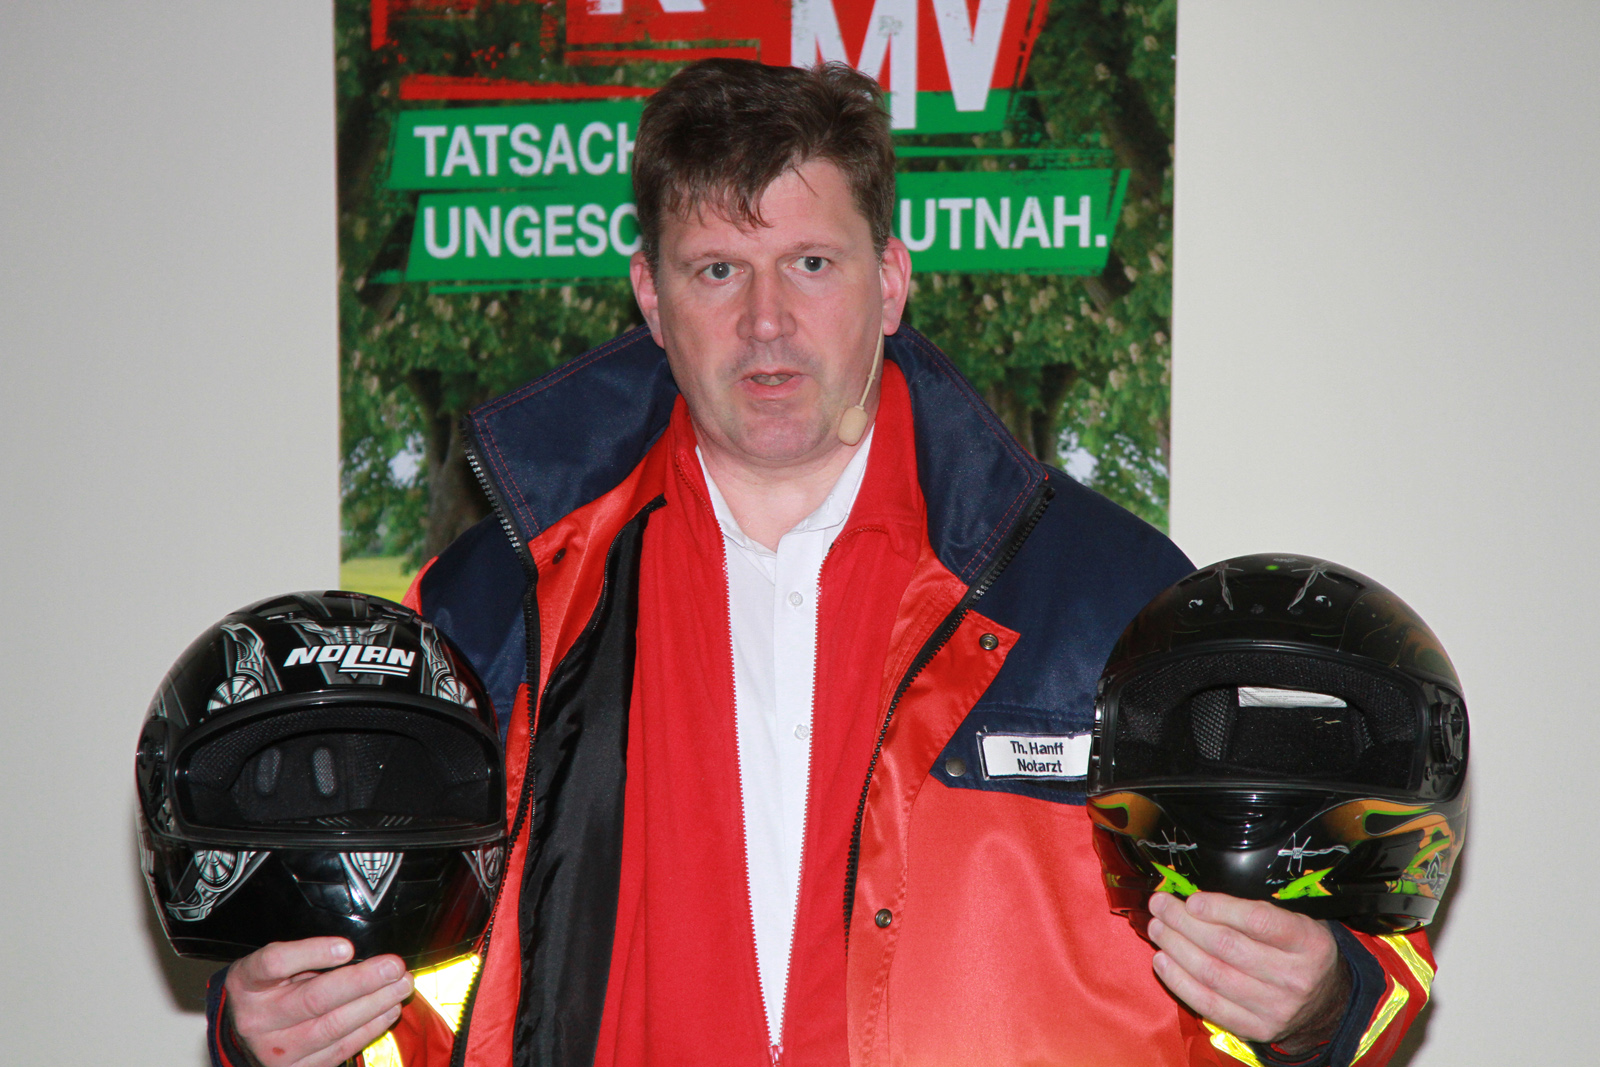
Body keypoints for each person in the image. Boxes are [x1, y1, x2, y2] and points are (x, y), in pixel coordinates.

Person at [209, 60, 1434, 1067]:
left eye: (810, 262)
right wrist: (276, 1031)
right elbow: (406, 979)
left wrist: (1320, 1002)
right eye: (716, 270)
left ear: (889, 282)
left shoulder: (1106, 591)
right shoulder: (491, 606)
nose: (766, 322)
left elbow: (1336, 945)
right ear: (649, 297)